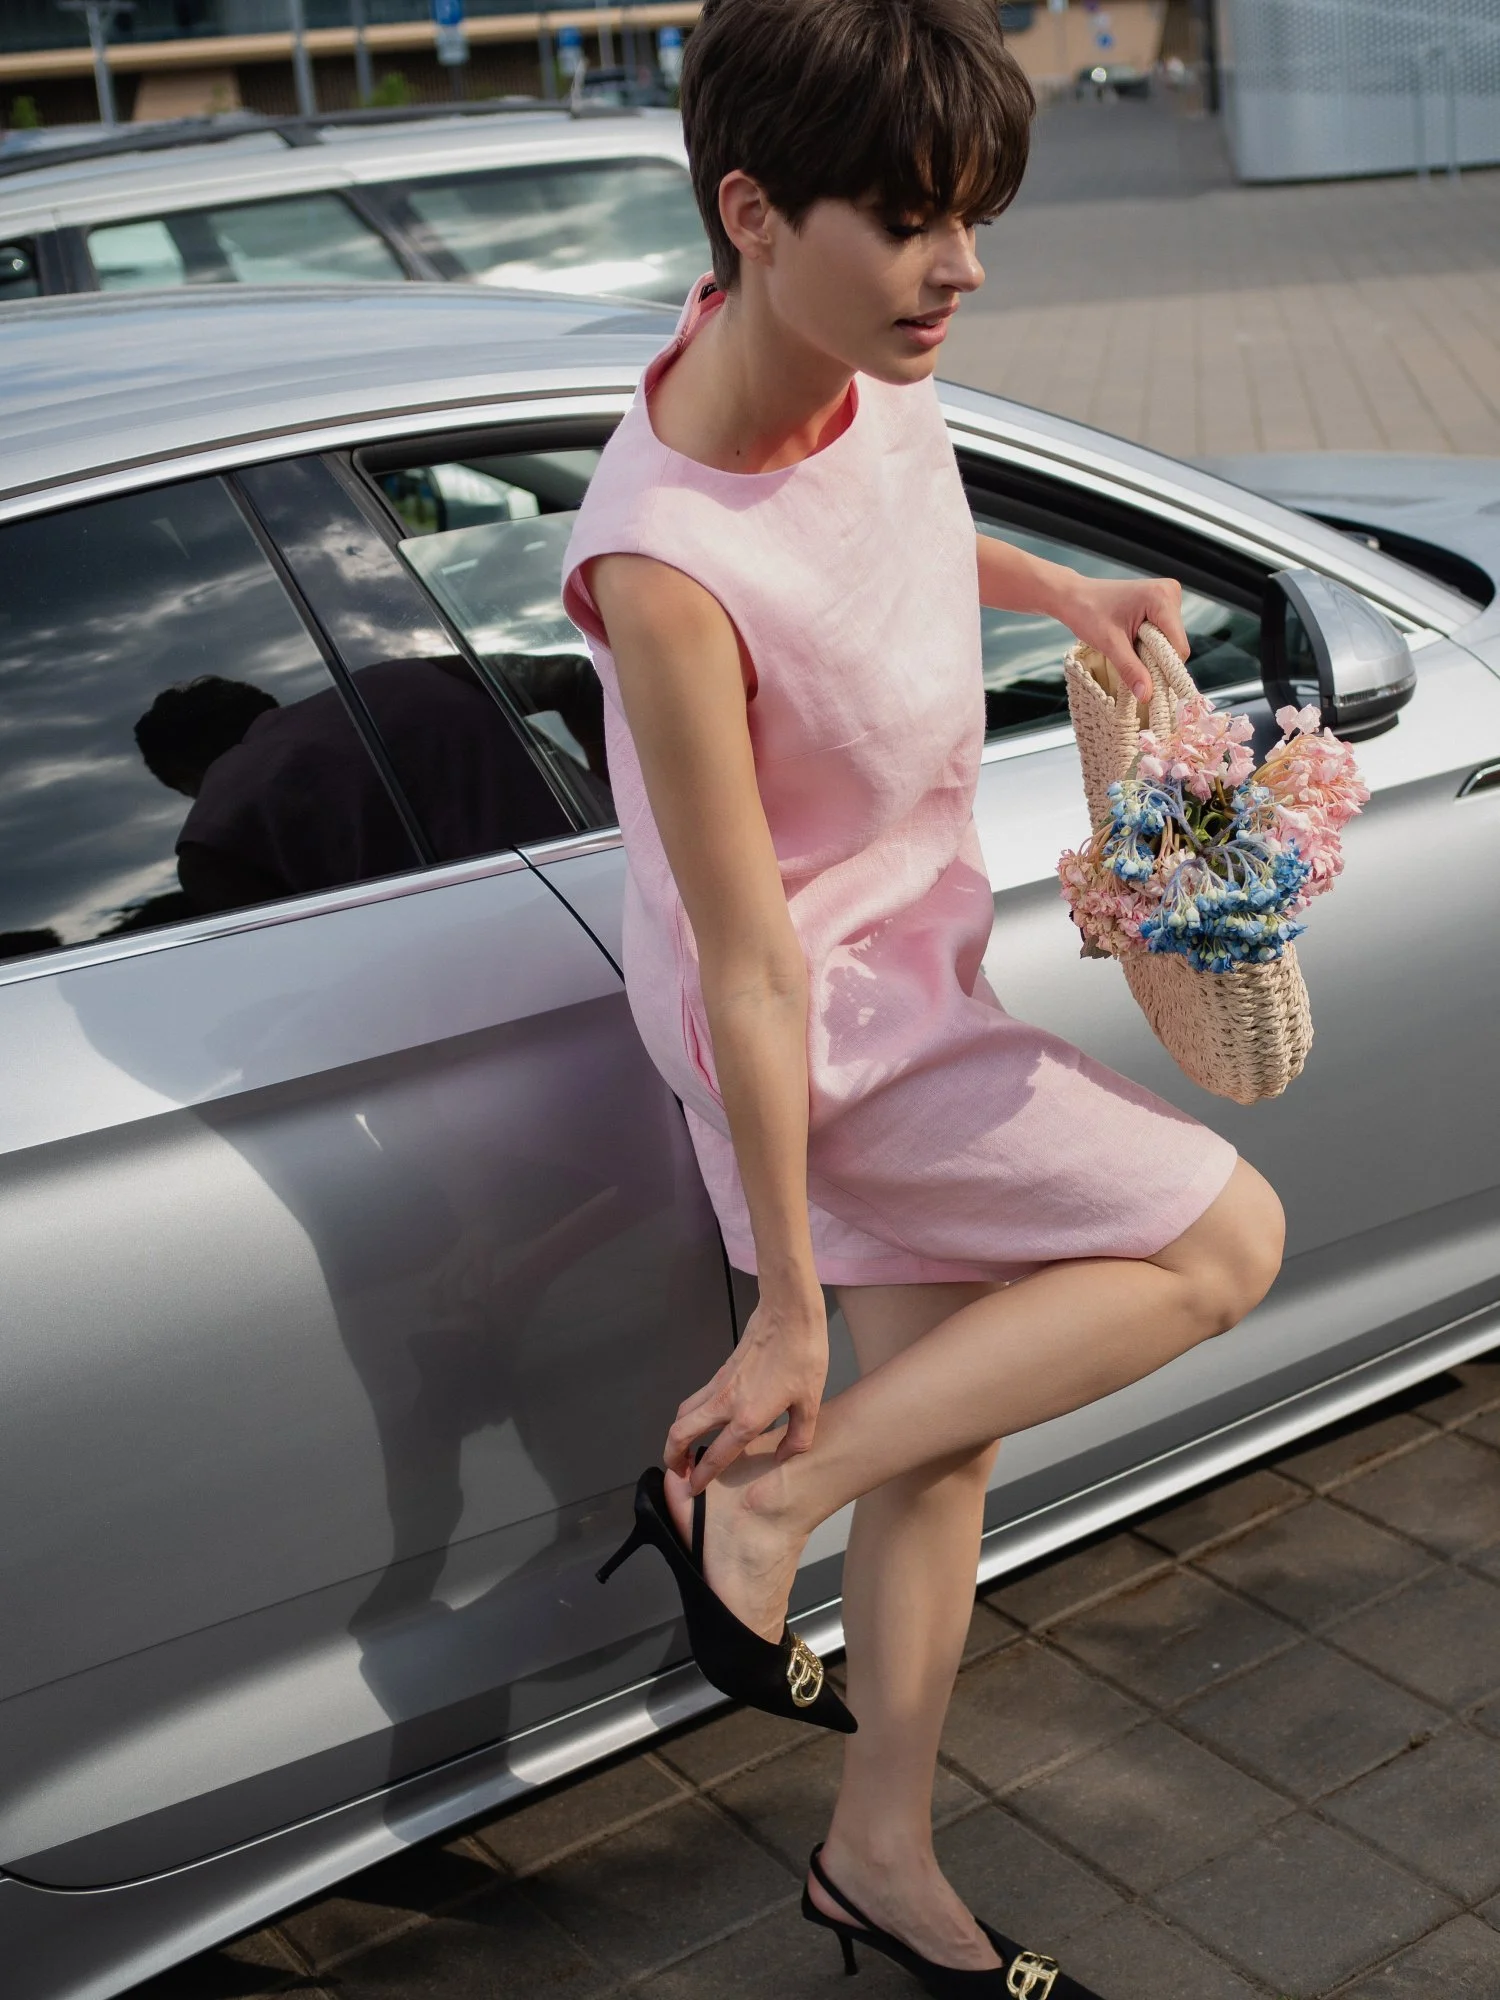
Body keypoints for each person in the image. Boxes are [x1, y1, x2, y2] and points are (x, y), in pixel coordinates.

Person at [565, 2, 1285, 1991]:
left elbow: (894, 528)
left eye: (971, 218)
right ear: (750, 212)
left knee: (938, 1443)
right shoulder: (662, 568)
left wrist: (1064, 594)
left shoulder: (850, 362)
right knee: (1224, 1240)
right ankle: (758, 1498)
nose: (959, 267)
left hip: (896, 962)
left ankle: (876, 1852)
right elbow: (745, 963)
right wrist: (788, 1309)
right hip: (825, 1033)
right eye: (908, 222)